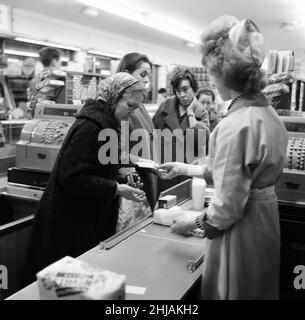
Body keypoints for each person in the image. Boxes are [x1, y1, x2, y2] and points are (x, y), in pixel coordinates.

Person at [157, 16, 288, 300]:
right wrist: (183, 168)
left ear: (225, 72)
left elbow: (228, 204)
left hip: (240, 230)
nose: (213, 82)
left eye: (212, 73)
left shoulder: (236, 123)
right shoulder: (269, 114)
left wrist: (193, 223)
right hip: (264, 221)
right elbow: (236, 171)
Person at [24, 73, 147, 284]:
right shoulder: (92, 126)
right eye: (130, 105)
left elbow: (97, 165)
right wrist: (115, 188)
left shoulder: (108, 123)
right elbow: (71, 177)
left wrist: (121, 175)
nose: (133, 112)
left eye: (136, 107)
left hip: (85, 220)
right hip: (70, 225)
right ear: (114, 97)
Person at [153, 68, 210, 191]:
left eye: (185, 90)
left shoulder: (202, 112)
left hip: (187, 172)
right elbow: (152, 135)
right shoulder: (165, 107)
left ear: (194, 89)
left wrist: (191, 114)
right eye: (178, 91)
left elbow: (201, 141)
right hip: (166, 170)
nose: (182, 95)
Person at [116, 52, 158, 210]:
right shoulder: (122, 109)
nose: (146, 80)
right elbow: (119, 152)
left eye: (148, 75)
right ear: (126, 75)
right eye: (143, 74)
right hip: (133, 184)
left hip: (148, 176)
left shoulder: (139, 105)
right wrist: (148, 163)